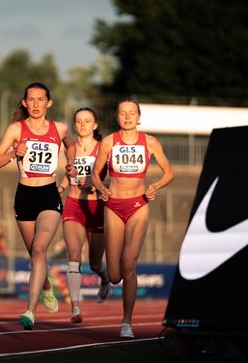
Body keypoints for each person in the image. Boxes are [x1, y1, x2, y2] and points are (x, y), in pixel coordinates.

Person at [0, 82, 77, 330]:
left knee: (39, 249)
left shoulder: (59, 128)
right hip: (24, 196)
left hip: (49, 194)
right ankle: (47, 286)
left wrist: (70, 162)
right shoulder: (16, 129)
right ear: (24, 103)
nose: (36, 104)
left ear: (49, 102)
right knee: (34, 253)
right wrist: (13, 153)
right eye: (31, 100)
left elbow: (71, 145)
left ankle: (30, 311)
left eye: (41, 99)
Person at [91, 98, 174, 338]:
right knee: (116, 275)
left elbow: (170, 172)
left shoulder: (150, 142)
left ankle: (126, 321)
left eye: (132, 113)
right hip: (113, 206)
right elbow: (95, 174)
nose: (127, 117)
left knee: (129, 263)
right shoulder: (108, 142)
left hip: (138, 205)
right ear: (117, 118)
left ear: (139, 117)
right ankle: (107, 277)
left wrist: (155, 186)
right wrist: (101, 187)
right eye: (122, 113)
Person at [57, 107, 110, 324]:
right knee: (73, 257)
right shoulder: (70, 148)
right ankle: (75, 307)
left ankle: (104, 279)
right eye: (79, 121)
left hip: (96, 207)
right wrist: (59, 189)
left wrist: (94, 184)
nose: (82, 124)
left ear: (95, 125)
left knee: (95, 263)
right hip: (74, 205)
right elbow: (68, 175)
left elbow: (111, 180)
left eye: (87, 121)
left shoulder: (103, 148)